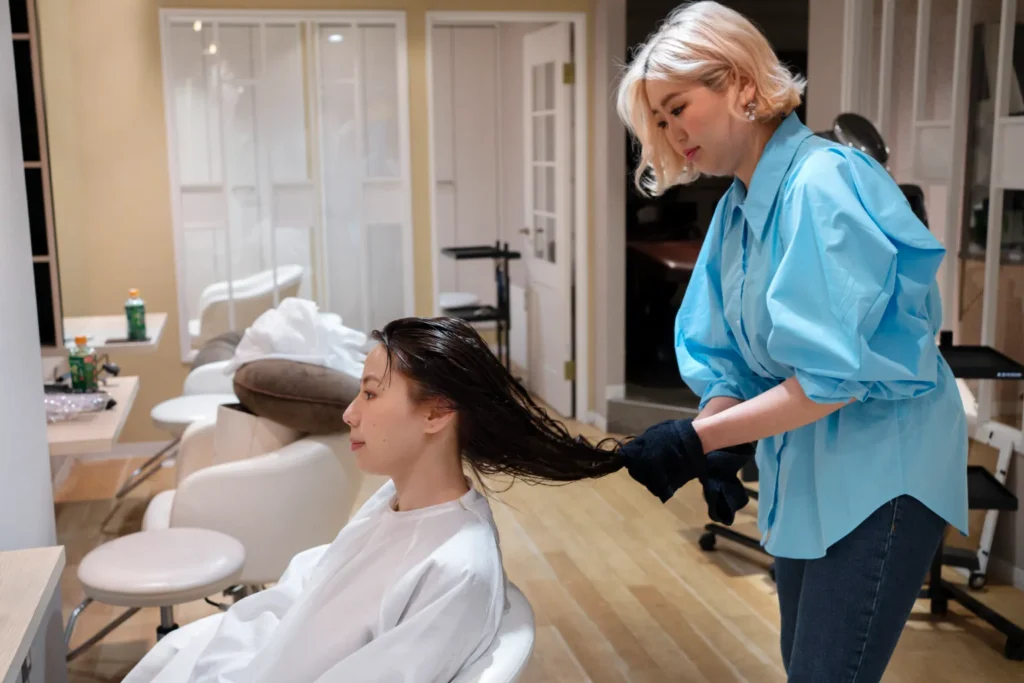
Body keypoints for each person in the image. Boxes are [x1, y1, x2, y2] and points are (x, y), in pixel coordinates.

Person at [615, 2, 968, 681]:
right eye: (657, 121)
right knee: (800, 664)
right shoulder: (737, 212)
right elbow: (725, 359)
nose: (669, 132)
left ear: (741, 83)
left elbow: (830, 378)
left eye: (677, 107)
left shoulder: (824, 183)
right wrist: (714, 435)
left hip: (882, 473)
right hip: (808, 464)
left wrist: (698, 441)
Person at [123, 316, 626, 683]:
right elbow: (320, 583)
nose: (349, 414)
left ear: (436, 413)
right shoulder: (395, 499)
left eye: (369, 394)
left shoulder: (455, 570)